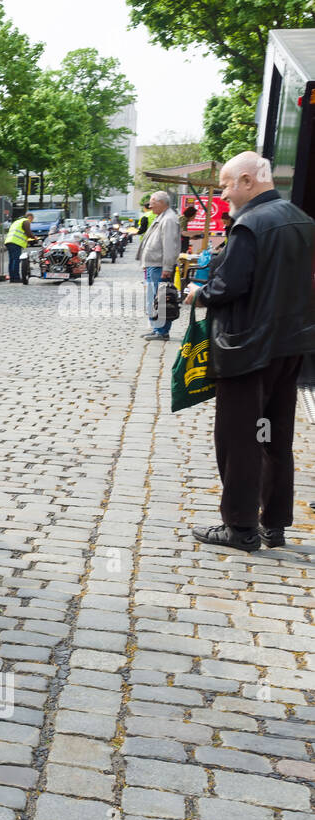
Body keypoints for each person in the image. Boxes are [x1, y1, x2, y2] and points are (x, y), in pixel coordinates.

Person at [181, 151, 315, 552]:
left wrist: (198, 294)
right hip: (289, 347)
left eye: (225, 184)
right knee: (274, 436)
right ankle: (274, 524)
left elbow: (230, 285)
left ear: (246, 180)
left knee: (240, 437)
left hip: (248, 348)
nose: (223, 193)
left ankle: (240, 527)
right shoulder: (303, 220)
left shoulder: (250, 225)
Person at [135, 190, 180, 340]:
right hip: (154, 265)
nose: (150, 206)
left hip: (160, 266)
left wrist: (167, 268)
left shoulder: (168, 219)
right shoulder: (162, 217)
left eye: (152, 203)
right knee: (154, 299)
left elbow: (169, 245)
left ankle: (162, 331)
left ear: (161, 203)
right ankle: (156, 328)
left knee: (161, 298)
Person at [5, 212, 33, 282]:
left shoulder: (16, 222)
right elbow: (28, 233)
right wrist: (34, 237)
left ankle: (12, 278)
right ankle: (16, 278)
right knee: (16, 260)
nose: (31, 221)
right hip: (16, 243)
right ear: (29, 217)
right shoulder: (26, 221)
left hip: (9, 241)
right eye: (32, 219)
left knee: (11, 260)